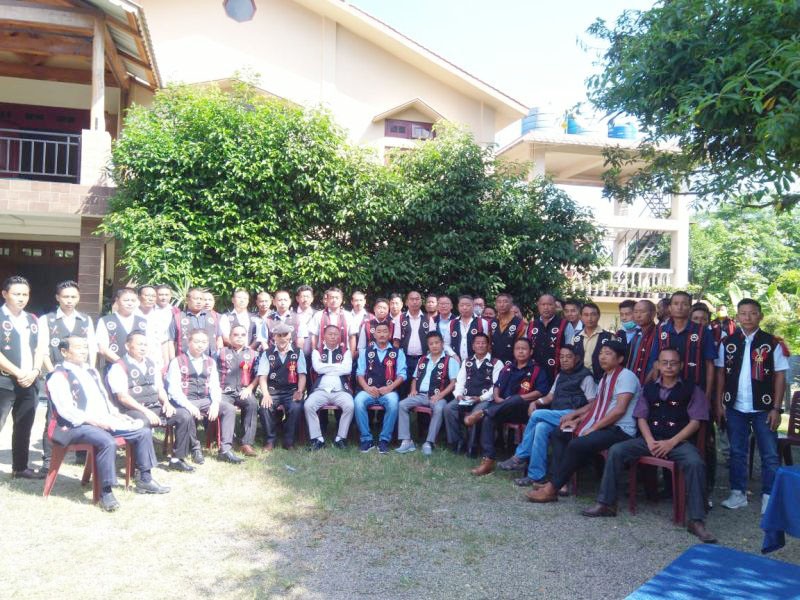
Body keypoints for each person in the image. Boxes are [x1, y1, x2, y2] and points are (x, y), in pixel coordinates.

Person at [582, 347, 717, 544]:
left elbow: (696, 422)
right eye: (665, 363)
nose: (669, 366)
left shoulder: (692, 389)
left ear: (680, 365)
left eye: (673, 363)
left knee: (695, 463)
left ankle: (696, 520)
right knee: (617, 450)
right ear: (658, 365)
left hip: (678, 441)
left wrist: (671, 442)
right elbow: (641, 417)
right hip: (650, 439)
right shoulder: (649, 388)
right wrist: (649, 441)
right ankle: (606, 503)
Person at [46, 336, 169, 510]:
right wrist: (94, 421)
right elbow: (66, 411)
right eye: (78, 348)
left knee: (142, 431)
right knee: (106, 441)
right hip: (74, 425)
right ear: (64, 352)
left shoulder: (92, 371)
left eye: (85, 347)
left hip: (100, 420)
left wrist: (116, 415)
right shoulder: (58, 376)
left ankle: (145, 479)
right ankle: (105, 492)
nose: (83, 351)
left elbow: (104, 400)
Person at [526, 340, 640, 503]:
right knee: (560, 432)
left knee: (576, 444)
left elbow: (619, 410)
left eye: (608, 354)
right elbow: (596, 407)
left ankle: (551, 489)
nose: (602, 357)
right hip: (604, 425)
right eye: (601, 353)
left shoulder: (626, 377)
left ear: (620, 359)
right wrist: (578, 420)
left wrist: (593, 427)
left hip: (620, 430)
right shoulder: (605, 378)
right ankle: (560, 482)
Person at [715, 298, 788, 514]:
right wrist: (720, 403)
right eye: (743, 313)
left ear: (760, 316)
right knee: (737, 451)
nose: (747, 317)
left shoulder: (772, 342)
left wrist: (776, 408)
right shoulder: (728, 342)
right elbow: (720, 373)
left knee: (770, 453)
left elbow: (780, 376)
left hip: (763, 408)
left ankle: (769, 495)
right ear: (737, 317)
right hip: (735, 406)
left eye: (752, 313)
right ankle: (737, 493)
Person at [498, 345, 597, 490]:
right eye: (561, 357)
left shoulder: (586, 376)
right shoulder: (560, 375)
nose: (564, 360)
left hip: (573, 416)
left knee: (537, 414)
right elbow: (550, 396)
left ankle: (520, 456)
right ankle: (536, 476)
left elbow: (593, 404)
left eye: (568, 357)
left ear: (577, 358)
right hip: (557, 415)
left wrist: (575, 414)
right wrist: (536, 401)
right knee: (540, 427)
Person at [107, 331, 196, 472]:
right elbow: (122, 397)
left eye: (145, 345)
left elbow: (160, 387)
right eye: (139, 344)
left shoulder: (151, 363)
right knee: (143, 422)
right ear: (127, 345)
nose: (143, 348)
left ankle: (177, 459)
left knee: (184, 415)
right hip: (132, 410)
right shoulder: (118, 367)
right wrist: (146, 412)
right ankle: (142, 467)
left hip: (155, 406)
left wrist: (166, 403)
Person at [38, 280, 99, 473]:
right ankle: (48, 459)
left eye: (73, 297)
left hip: (81, 375)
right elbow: (43, 349)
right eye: (65, 297)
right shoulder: (47, 320)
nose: (69, 300)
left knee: (84, 410)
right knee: (53, 416)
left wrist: (90, 370)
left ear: (78, 298)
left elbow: (92, 347)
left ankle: (83, 454)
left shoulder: (85, 320)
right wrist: (52, 373)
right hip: (58, 375)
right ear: (57, 298)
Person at [466, 337, 550, 476]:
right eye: (518, 349)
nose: (520, 352)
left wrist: (519, 398)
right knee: (489, 419)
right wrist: (498, 398)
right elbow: (497, 386)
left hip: (523, 410)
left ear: (531, 351)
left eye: (524, 349)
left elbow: (541, 391)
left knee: (515, 399)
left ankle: (484, 412)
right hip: (503, 407)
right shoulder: (508, 367)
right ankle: (488, 460)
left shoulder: (537, 370)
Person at [166, 328, 242, 464]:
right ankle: (195, 448)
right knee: (187, 414)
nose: (200, 345)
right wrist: (189, 405)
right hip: (184, 400)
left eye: (204, 342)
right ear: (188, 342)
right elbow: (174, 391)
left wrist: (214, 403)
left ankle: (225, 450)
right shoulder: (177, 362)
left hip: (205, 400)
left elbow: (215, 386)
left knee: (229, 409)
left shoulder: (210, 362)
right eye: (196, 341)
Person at [0, 275, 46, 479]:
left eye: (25, 294)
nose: (21, 298)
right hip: (4, 381)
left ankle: (20, 467)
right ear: (4, 294)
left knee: (24, 425)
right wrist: (18, 372)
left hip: (30, 381)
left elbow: (39, 348)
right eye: (16, 293)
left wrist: (35, 371)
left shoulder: (32, 319)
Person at [396, 331, 460, 455]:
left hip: (438, 396)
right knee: (402, 404)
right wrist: (413, 390)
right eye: (431, 344)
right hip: (420, 395)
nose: (434, 346)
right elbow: (415, 378)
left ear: (442, 344)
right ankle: (406, 440)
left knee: (440, 408)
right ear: (428, 345)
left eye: (437, 343)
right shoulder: (422, 359)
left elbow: (454, 383)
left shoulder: (450, 361)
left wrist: (440, 395)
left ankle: (429, 442)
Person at [444, 333, 503, 454]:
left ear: (488, 346)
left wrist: (480, 398)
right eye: (477, 343)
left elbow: (496, 387)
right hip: (466, 397)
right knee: (448, 409)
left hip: (485, 400)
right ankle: (457, 442)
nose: (480, 345)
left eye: (483, 343)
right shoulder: (467, 361)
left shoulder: (496, 363)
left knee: (476, 412)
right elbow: (460, 381)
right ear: (473, 346)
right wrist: (458, 395)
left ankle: (473, 446)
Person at [648, 292, 716, 394]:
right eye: (676, 304)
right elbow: (656, 362)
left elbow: (709, 364)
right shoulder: (661, 331)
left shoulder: (703, 332)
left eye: (684, 304)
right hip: (666, 389)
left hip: (695, 389)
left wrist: (708, 395)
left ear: (690, 308)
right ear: (670, 308)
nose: (679, 307)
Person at [354, 322, 406, 453]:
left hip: (389, 391)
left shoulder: (398, 352)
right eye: (379, 331)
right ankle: (366, 440)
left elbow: (402, 374)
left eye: (385, 331)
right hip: (368, 390)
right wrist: (366, 388)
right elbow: (359, 374)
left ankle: (384, 440)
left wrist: (390, 388)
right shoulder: (365, 351)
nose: (382, 334)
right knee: (358, 402)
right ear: (374, 334)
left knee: (394, 403)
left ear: (389, 334)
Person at [257, 322, 307, 450]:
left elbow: (302, 375)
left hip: (292, 391)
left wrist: (300, 391)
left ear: (290, 336)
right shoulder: (267, 353)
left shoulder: (298, 352)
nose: (282, 338)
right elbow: (262, 377)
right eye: (279, 335)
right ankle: (270, 441)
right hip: (272, 391)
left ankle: (288, 441)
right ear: (274, 337)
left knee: (296, 407)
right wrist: (266, 394)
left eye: (285, 335)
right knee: (264, 407)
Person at [305, 325, 354, 450]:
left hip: (341, 391)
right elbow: (317, 368)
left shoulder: (346, 351)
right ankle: (317, 439)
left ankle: (340, 438)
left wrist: (326, 368)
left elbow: (347, 369)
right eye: (330, 334)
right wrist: (338, 368)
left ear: (339, 337)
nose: (333, 336)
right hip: (321, 390)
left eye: (335, 334)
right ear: (324, 336)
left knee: (350, 405)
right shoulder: (317, 351)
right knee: (308, 405)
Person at [217, 324, 259, 457]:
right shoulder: (220, 352)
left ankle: (246, 443)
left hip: (243, 390)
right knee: (226, 407)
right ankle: (229, 441)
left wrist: (250, 388)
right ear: (229, 337)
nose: (239, 337)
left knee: (252, 403)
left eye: (242, 335)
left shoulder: (254, 354)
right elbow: (212, 373)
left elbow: (258, 375)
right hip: (224, 391)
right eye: (235, 335)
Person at [96, 287, 148, 368]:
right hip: (113, 367)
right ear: (117, 301)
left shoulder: (143, 322)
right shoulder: (105, 321)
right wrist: (121, 363)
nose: (130, 303)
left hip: (140, 368)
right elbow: (102, 348)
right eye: (126, 300)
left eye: (133, 301)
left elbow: (149, 346)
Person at [168, 287, 222, 359]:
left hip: (210, 361)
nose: (199, 302)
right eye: (196, 299)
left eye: (201, 299)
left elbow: (219, 338)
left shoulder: (212, 316)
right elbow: (171, 341)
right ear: (188, 300)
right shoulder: (178, 318)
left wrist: (219, 356)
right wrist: (172, 361)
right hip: (185, 362)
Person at [525, 294, 569, 382]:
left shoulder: (565, 324)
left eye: (549, 304)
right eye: (543, 304)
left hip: (557, 374)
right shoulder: (531, 325)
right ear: (538, 306)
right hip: (533, 374)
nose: (546, 307)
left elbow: (570, 349)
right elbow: (526, 347)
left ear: (555, 306)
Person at [571, 302, 617, 382]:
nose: (589, 318)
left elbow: (614, 361)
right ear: (581, 317)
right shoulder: (576, 338)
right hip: (578, 380)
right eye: (586, 315)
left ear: (598, 316)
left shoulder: (609, 337)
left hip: (601, 380)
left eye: (593, 314)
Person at [397, 291, 430, 383]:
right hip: (405, 358)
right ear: (407, 302)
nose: (414, 302)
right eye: (412, 299)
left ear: (421, 301)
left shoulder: (428, 318)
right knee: (404, 384)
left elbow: (432, 340)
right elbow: (396, 341)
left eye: (417, 299)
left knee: (420, 383)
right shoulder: (400, 318)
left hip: (423, 358)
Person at [136, 284, 169, 372]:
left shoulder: (160, 317)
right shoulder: (132, 316)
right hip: (136, 363)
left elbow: (164, 341)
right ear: (139, 297)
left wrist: (166, 363)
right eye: (147, 295)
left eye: (153, 296)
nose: (151, 298)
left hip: (157, 362)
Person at [447, 295, 490, 361]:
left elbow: (487, 344)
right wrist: (453, 355)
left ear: (473, 306)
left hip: (477, 362)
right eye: (461, 305)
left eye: (468, 305)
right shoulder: (451, 323)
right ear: (458, 307)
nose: (464, 308)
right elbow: (446, 344)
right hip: (456, 362)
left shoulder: (482, 323)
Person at [626, 299, 658, 384]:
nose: (638, 315)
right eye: (635, 312)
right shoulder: (635, 333)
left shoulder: (658, 334)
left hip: (648, 383)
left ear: (653, 314)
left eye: (642, 312)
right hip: (631, 381)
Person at [490, 293, 526, 365]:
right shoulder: (492, 322)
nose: (502, 305)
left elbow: (521, 345)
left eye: (505, 302)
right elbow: (489, 343)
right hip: (494, 362)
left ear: (511, 305)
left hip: (512, 363)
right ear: (496, 305)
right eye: (499, 302)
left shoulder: (519, 323)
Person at [294, 285, 317, 359]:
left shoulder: (317, 315)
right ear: (297, 298)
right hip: (294, 356)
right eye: (303, 296)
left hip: (313, 356)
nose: (305, 299)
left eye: (308, 297)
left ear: (312, 299)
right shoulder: (291, 314)